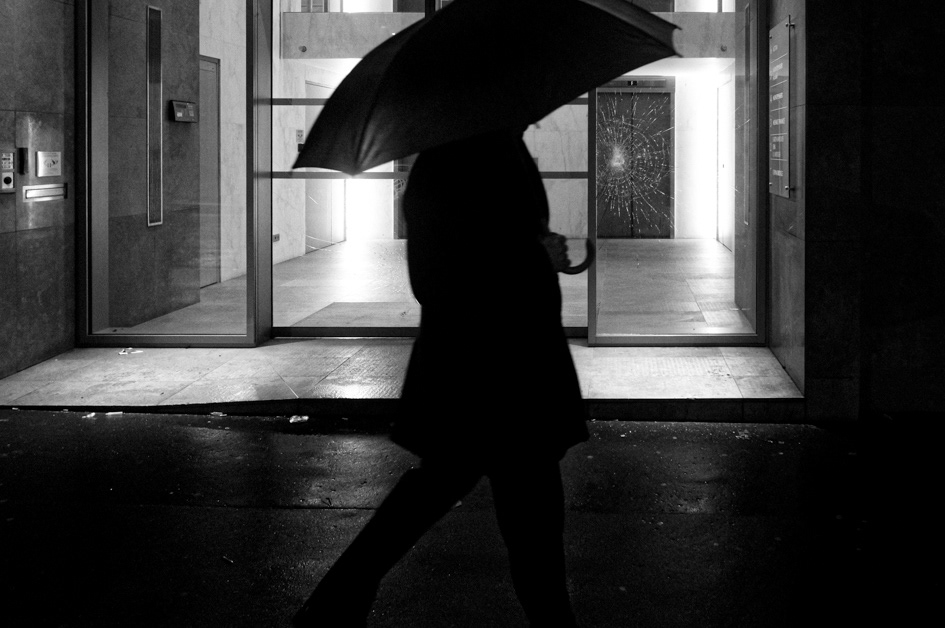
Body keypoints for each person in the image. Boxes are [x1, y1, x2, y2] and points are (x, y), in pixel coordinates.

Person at [293, 128, 589, 628]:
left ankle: (335, 602)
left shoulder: (497, 145)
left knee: (473, 493)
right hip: (489, 372)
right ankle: (334, 602)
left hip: (504, 368)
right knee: (526, 509)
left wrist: (539, 246)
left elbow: (499, 239)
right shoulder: (452, 159)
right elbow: (438, 275)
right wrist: (536, 256)